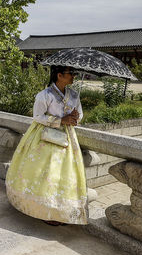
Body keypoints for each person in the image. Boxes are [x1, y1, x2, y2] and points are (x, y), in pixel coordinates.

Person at [5, 66, 87, 225]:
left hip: (67, 139)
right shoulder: (45, 95)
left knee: (63, 174)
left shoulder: (74, 95)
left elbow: (80, 114)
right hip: (43, 137)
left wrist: (76, 117)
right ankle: (43, 211)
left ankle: (59, 211)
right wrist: (61, 120)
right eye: (71, 74)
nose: (74, 77)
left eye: (74, 74)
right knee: (44, 172)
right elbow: (37, 116)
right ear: (60, 75)